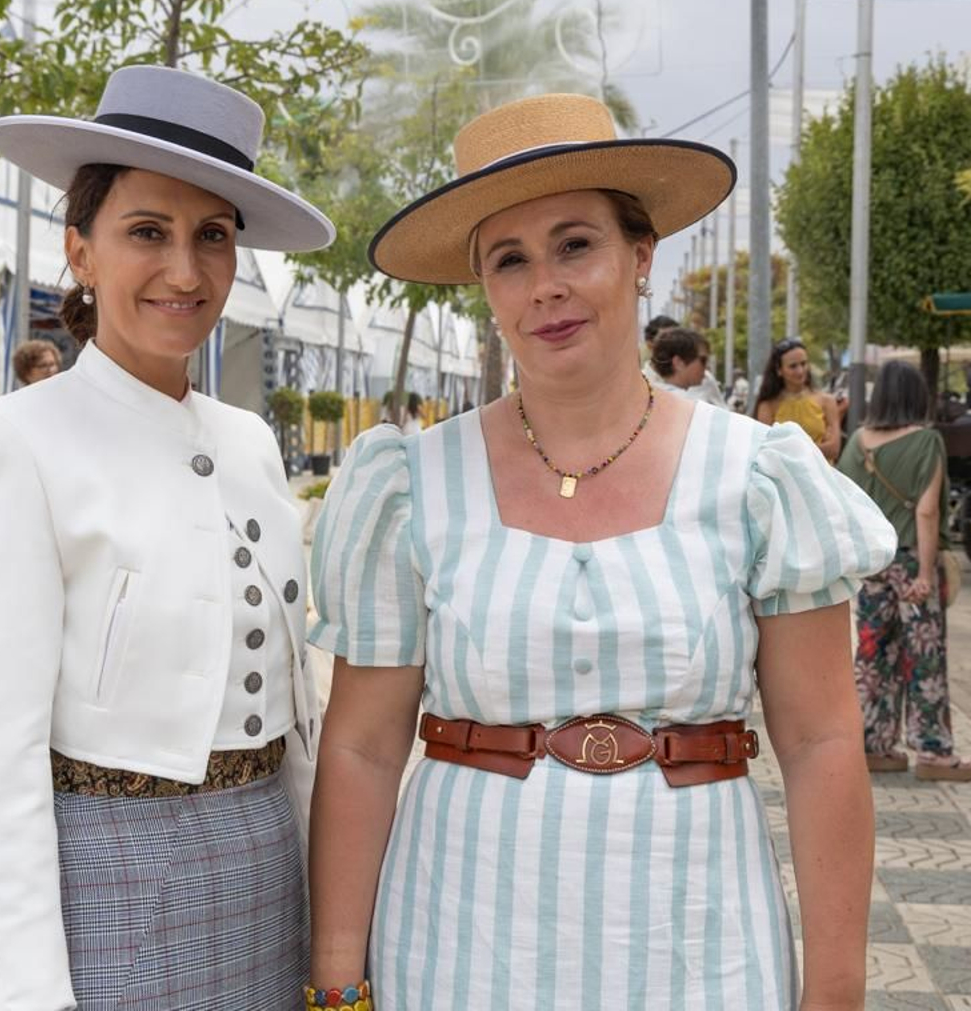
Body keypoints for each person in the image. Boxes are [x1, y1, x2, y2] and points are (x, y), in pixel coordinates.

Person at [309, 94, 897, 1010]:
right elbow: (362, 747)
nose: (545, 284)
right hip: (459, 936)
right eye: (510, 259)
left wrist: (836, 991)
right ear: (485, 287)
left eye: (575, 244)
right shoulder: (411, 484)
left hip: (698, 938)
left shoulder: (756, 476)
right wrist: (337, 985)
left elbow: (820, 744)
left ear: (641, 255)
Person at [0, 65, 334, 1010]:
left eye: (213, 236)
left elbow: (297, 716)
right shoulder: (11, 443)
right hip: (112, 884)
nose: (185, 271)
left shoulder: (249, 442)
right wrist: (21, 990)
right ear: (81, 250)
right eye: (147, 231)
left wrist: (331, 913)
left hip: (271, 870)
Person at [836, 360, 971, 782]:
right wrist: (925, 574)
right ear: (917, 396)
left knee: (872, 656)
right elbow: (927, 510)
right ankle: (933, 752)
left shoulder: (857, 442)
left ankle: (872, 745)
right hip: (913, 560)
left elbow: (845, 504)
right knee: (924, 657)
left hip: (872, 565)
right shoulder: (927, 440)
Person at [755, 336, 841, 462]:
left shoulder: (827, 401)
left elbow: (834, 449)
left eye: (803, 364)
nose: (800, 371)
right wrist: (817, 448)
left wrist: (789, 449)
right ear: (779, 370)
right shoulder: (768, 406)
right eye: (793, 366)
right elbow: (766, 451)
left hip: (822, 473)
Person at [648, 326, 726, 407]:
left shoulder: (654, 397)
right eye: (703, 360)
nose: (707, 367)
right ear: (678, 363)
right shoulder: (689, 405)